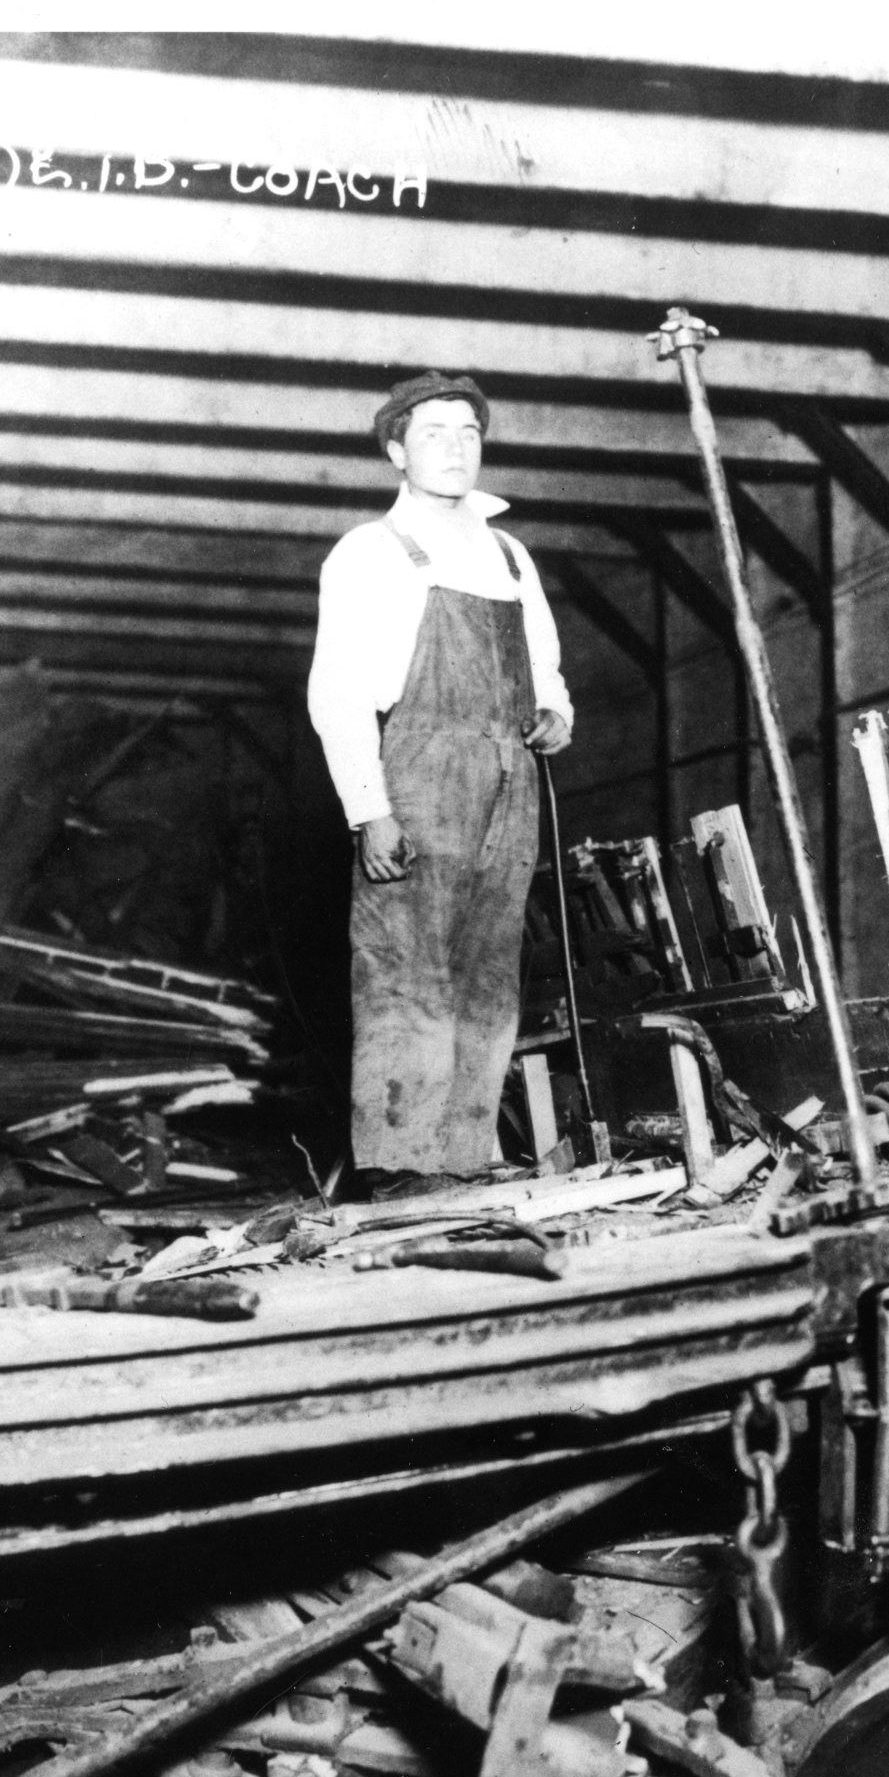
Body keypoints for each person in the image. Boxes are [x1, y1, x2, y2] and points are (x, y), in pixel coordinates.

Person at [306, 371, 573, 1190]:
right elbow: (338, 689)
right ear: (396, 451)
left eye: (468, 432)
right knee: (406, 968)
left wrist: (556, 714)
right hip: (421, 769)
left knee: (491, 968)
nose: (455, 448)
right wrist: (369, 810)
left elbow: (547, 668)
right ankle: (399, 1160)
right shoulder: (370, 551)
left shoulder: (510, 552)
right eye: (433, 434)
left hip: (509, 771)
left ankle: (466, 1155)